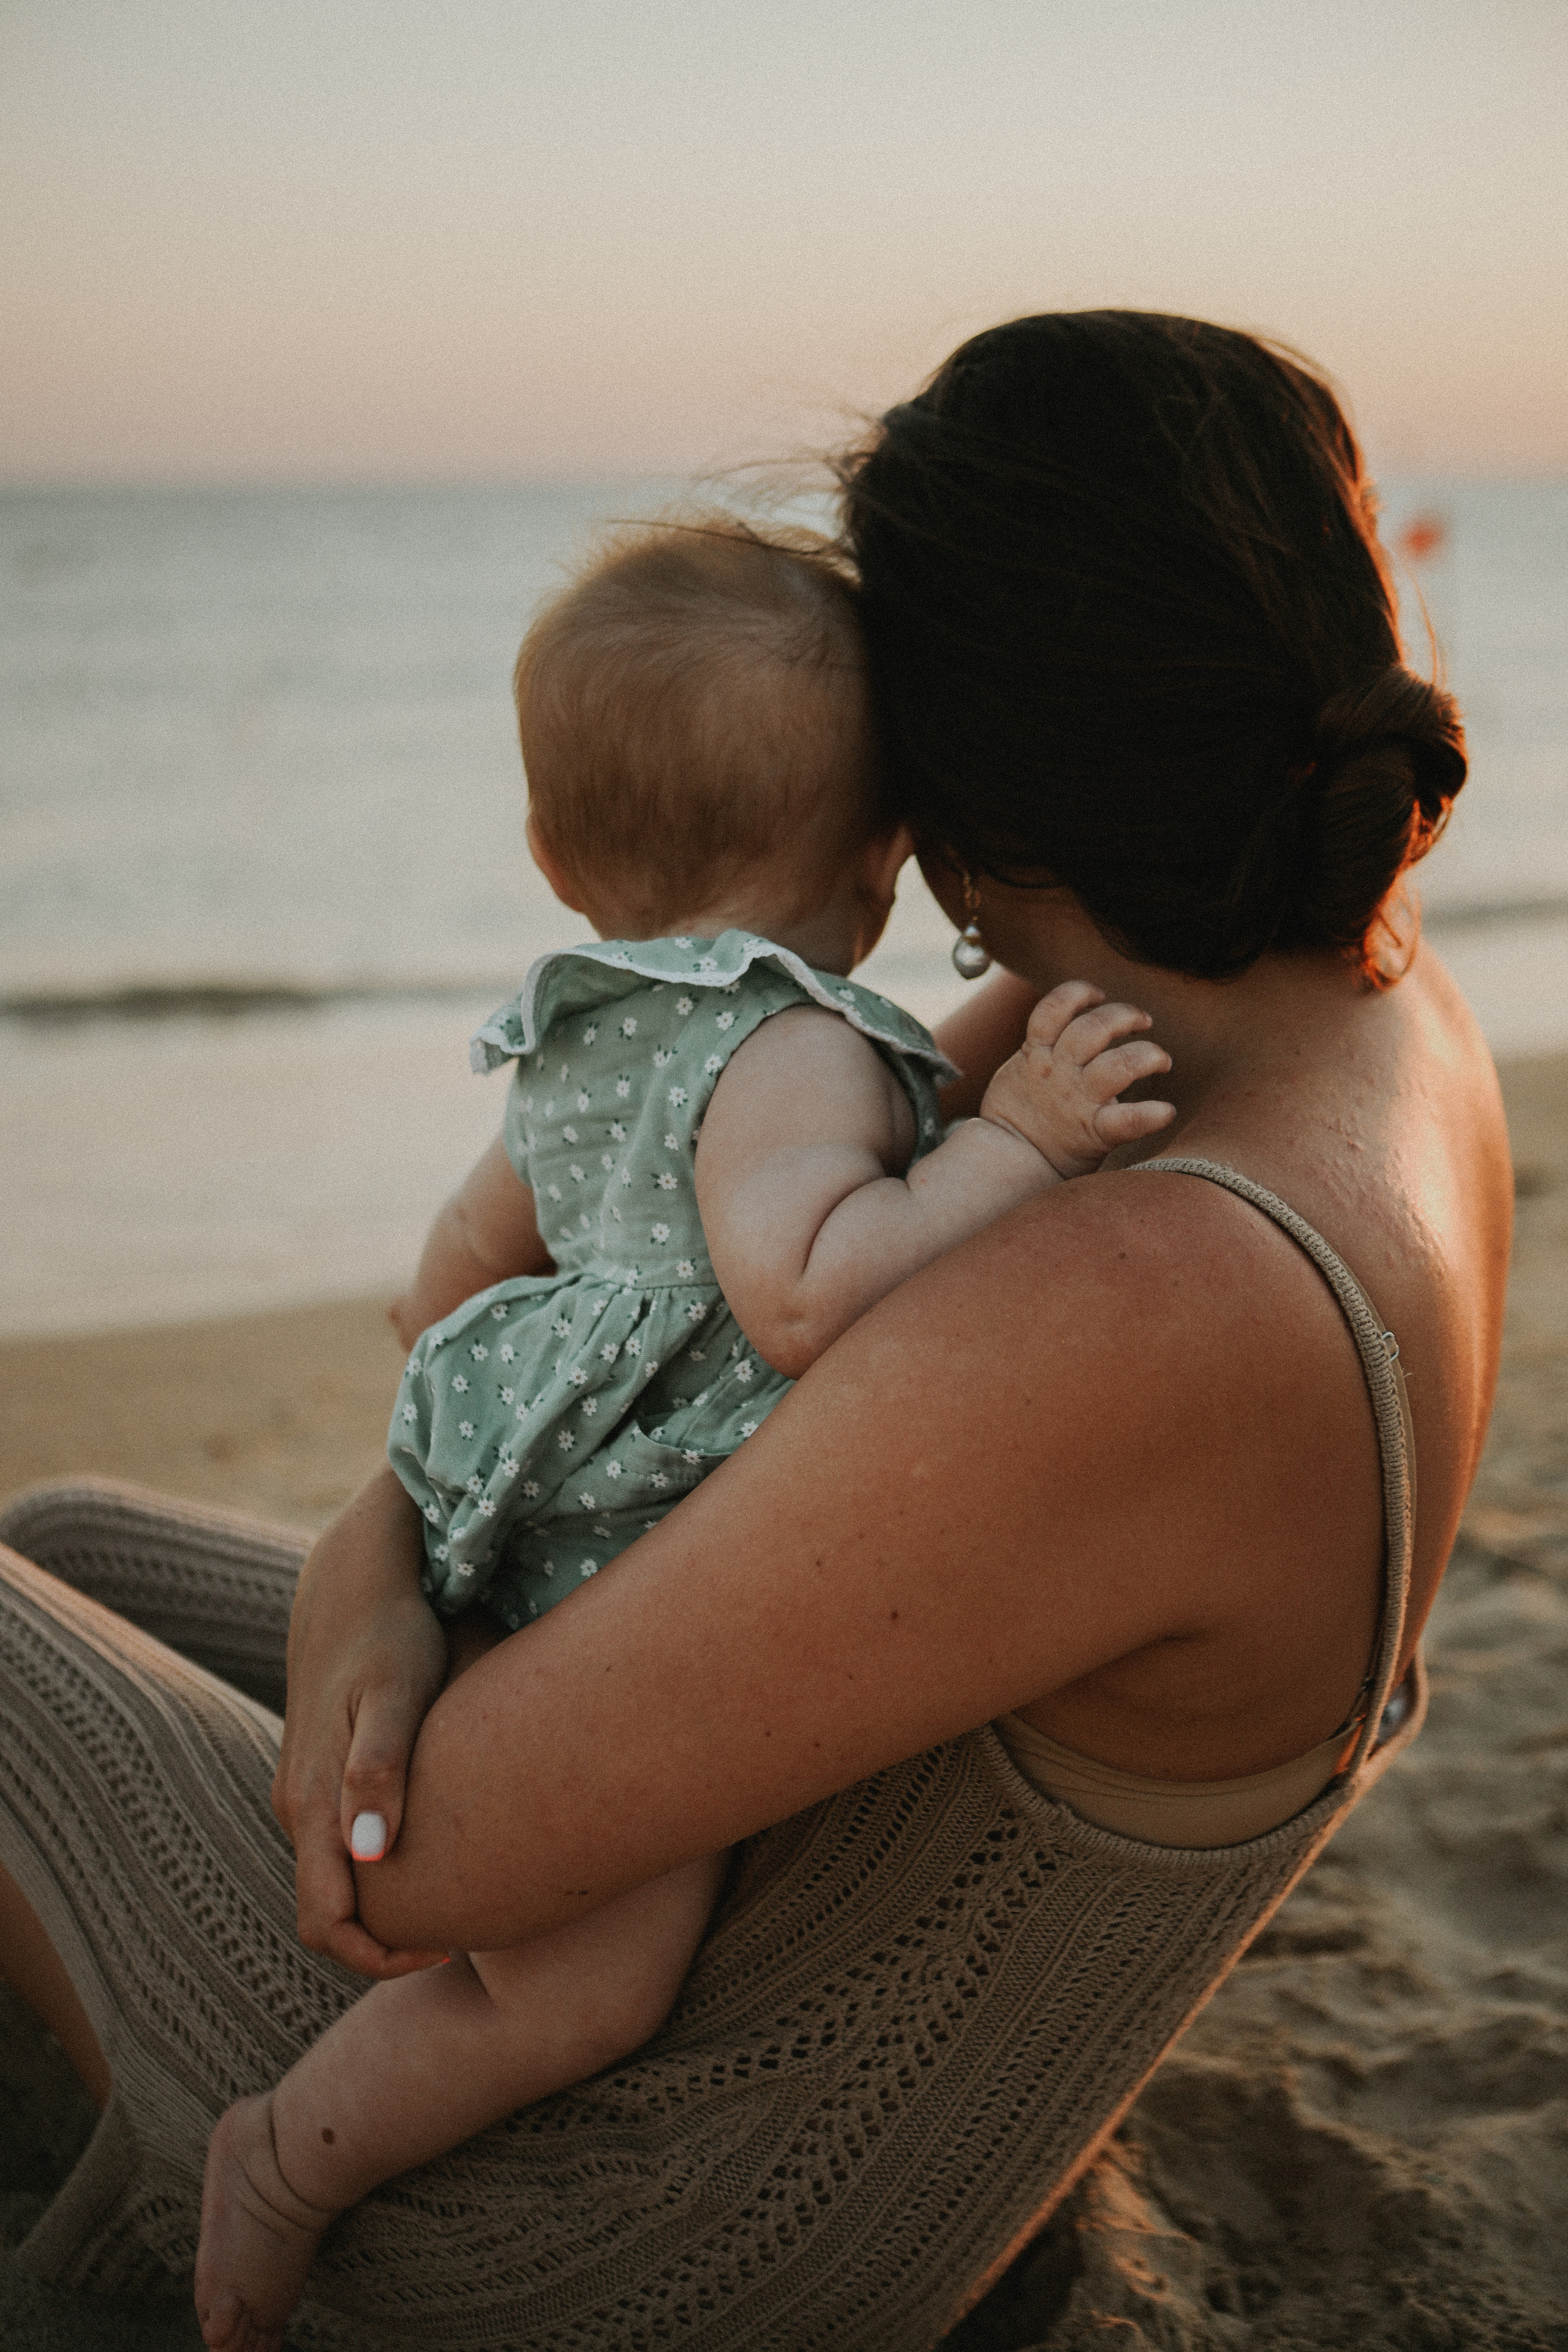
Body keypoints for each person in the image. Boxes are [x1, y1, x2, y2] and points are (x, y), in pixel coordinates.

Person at [0, 312, 1510, 2352]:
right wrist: (374, 1566)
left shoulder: (1153, 1289)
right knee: (77, 1537)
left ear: (939, 802)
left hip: (665, 2199)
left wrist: (382, 1605)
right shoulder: (1350, 1018)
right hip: (804, 1954)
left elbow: (425, 1867)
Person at [190, 521, 1175, 2349]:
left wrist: (478, 1425)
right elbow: (811, 1289)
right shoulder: (797, 1051)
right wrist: (1016, 1147)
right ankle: (288, 2153)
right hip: (628, 1578)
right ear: (884, 865)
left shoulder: (582, 1029)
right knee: (576, 1998)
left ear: (558, 858)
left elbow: (455, 1273)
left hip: (527, 1522)